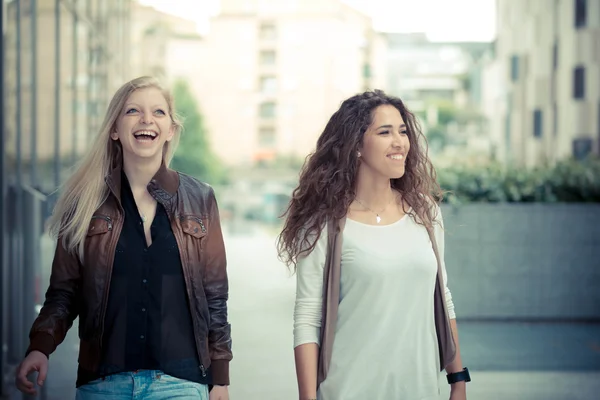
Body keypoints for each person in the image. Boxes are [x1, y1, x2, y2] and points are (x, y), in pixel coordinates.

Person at [15, 76, 232, 400]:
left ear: (170, 130)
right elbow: (64, 292)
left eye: (158, 112)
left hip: (180, 383)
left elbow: (215, 296)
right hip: (103, 384)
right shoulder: (84, 202)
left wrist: (221, 380)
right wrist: (40, 348)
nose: (146, 120)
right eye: (133, 111)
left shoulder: (200, 198)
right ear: (115, 129)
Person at [278, 90, 470, 400]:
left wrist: (458, 380)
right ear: (355, 146)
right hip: (347, 390)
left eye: (403, 131)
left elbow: (442, 294)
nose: (400, 142)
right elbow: (308, 318)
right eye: (385, 132)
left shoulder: (425, 211)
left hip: (419, 390)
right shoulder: (325, 223)